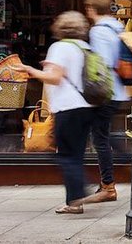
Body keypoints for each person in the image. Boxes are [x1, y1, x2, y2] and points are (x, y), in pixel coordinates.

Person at [20, 11, 94, 215]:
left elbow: (54, 78)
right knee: (75, 155)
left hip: (67, 108)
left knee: (65, 156)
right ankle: (74, 202)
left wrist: (31, 70)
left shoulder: (59, 47)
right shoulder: (84, 47)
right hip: (85, 106)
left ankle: (80, 192)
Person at [81, 0, 125, 204]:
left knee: (100, 139)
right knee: (104, 135)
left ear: (91, 9)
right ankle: (130, 161)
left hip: (104, 92)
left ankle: (108, 185)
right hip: (117, 90)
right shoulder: (118, 27)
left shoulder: (98, 32)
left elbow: (101, 63)